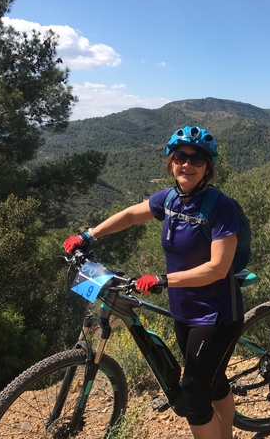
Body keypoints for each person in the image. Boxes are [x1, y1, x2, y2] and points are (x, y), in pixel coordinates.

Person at [63, 125, 244, 439]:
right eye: (180, 156)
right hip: (183, 311)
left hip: (215, 315)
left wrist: (162, 278)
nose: (187, 163)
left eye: (197, 159)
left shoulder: (220, 207)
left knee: (193, 397)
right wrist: (88, 235)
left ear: (208, 167)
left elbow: (217, 268)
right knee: (213, 383)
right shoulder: (171, 199)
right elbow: (132, 215)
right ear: (171, 162)